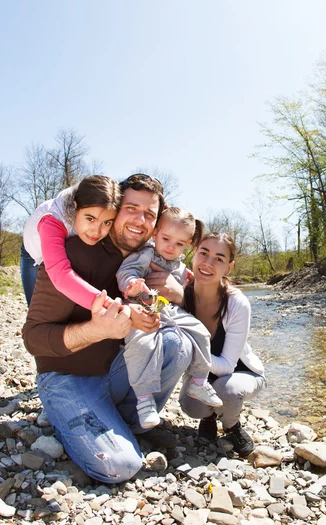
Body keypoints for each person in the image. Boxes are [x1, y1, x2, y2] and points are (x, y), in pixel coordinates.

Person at [22, 174, 192, 483]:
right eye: (131, 208)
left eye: (149, 214)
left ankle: (131, 424)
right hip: (67, 379)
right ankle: (76, 423)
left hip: (114, 373)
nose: (140, 220)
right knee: (120, 467)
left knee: (177, 343)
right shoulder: (73, 253)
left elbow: (205, 319)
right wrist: (97, 329)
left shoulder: (152, 263)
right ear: (114, 209)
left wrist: (178, 294)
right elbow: (33, 339)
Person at [116, 207, 222, 429]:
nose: (171, 247)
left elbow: (183, 284)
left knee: (200, 331)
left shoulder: (180, 265)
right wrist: (132, 284)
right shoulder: (146, 254)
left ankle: (198, 381)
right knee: (143, 343)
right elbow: (126, 271)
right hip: (141, 306)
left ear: (188, 245)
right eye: (166, 239)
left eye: (179, 244)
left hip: (169, 311)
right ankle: (144, 401)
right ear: (155, 234)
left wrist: (187, 284)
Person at [178, 232, 266, 457]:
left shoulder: (237, 303)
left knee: (227, 390)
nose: (208, 263)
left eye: (219, 258)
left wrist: (192, 359)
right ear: (193, 255)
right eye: (203, 253)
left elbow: (227, 365)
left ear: (229, 267)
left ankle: (231, 426)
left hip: (240, 372)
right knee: (190, 404)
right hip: (203, 374)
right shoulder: (181, 295)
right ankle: (209, 417)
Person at [20, 175, 121, 307]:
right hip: (33, 253)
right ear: (75, 206)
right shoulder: (52, 222)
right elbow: (61, 276)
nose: (96, 231)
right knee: (37, 307)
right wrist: (109, 305)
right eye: (90, 219)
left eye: (106, 222)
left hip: (65, 245)